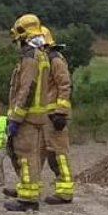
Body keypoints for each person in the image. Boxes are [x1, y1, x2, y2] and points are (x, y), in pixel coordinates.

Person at [3, 14, 52, 212]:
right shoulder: (41, 56)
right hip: (37, 115)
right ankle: (26, 191)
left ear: (23, 36)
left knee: (26, 155)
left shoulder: (30, 58)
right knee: (30, 155)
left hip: (28, 117)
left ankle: (28, 199)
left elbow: (26, 89)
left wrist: (16, 117)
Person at [40, 27, 74, 204]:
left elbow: (64, 85)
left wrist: (60, 112)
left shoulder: (55, 59)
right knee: (39, 152)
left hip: (54, 117)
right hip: (45, 115)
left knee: (59, 153)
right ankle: (29, 186)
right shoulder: (44, 59)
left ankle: (65, 190)